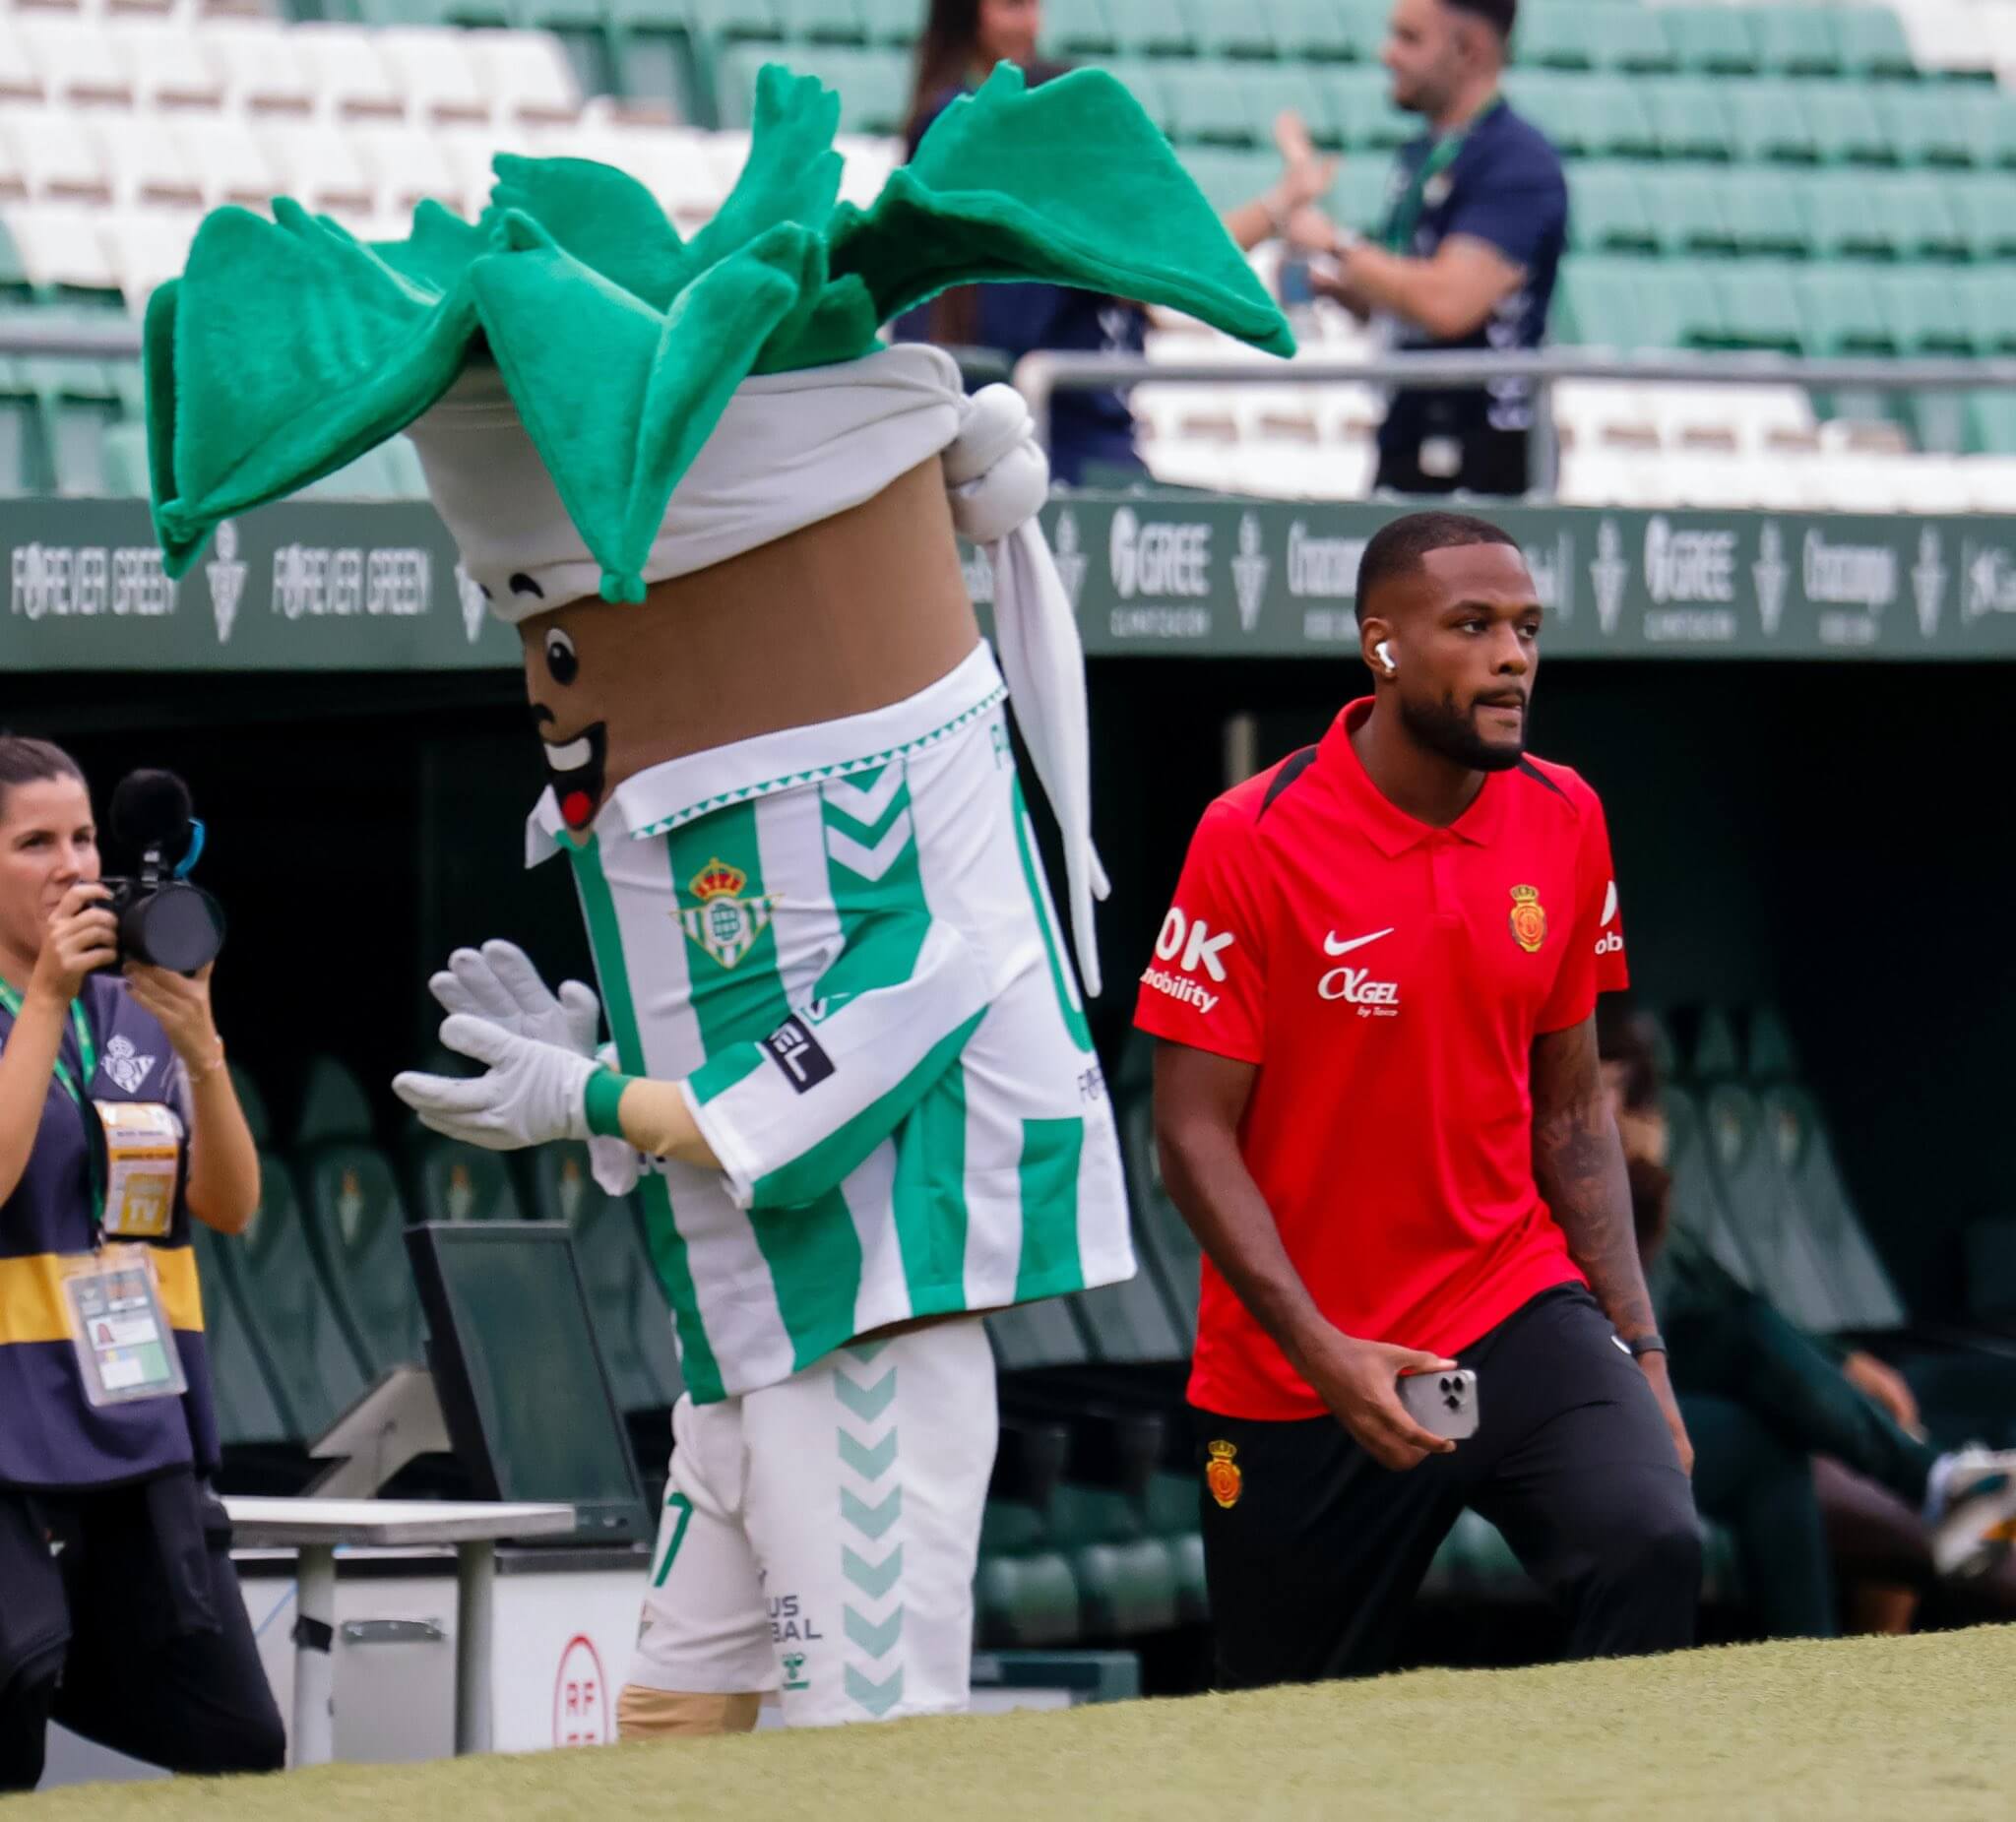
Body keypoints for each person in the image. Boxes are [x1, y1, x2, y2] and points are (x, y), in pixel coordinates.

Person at [145, 63, 1291, 1734]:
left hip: (871, 1356)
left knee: (857, 1750)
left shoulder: (924, 846)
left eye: (565, 628)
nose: (554, 681)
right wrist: (600, 1072)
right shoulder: (687, 824)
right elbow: (740, 1043)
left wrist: (590, 1095)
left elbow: (846, 1066)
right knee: (668, 1726)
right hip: (746, 1352)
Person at [1138, 510, 1699, 1688]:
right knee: (1284, 1730)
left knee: (1646, 1538)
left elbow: (1569, 1114)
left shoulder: (1564, 816)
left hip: (1509, 1298)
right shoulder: (1252, 838)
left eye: (1526, 629)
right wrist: (1321, 1352)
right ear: (1381, 647)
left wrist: (1639, 1350)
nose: (1513, 656)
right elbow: (1189, 1138)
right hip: (1303, 1365)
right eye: (1473, 625)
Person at [0, 736, 281, 1791]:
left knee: (234, 1735)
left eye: (83, 836)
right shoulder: (41, 1008)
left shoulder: (130, 1012)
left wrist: (201, 1050)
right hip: (7, 1420)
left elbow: (230, 1203)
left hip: (132, 1412)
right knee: (11, 1698)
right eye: (35, 842)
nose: (75, 865)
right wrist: (39, 1002)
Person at [1599, 1006, 2016, 1634]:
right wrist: (1631, 1185)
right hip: (1590, 1407)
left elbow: (1718, 1297)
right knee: (1766, 1436)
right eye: (1603, 1088)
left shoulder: (1626, 1188)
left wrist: (1839, 1360)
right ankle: (1934, 1487)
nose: (1616, 1111)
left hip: (1664, 1389)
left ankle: (1937, 1488)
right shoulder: (1548, 1180)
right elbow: (1632, 1306)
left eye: (1626, 1092)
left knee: (1759, 1370)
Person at [895, 0, 1334, 485]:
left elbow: (1157, 261)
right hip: (1040, 441)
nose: (1033, 23)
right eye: (1013, 6)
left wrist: (1279, 205)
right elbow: (1151, 269)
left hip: (1051, 434)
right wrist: (1279, 205)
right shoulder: (963, 129)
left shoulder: (1023, 132)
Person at [1290, 0, 1567, 496]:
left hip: (1486, 450)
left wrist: (1337, 243)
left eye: (1409, 39)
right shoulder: (1424, 154)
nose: (1387, 54)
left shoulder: (1516, 160)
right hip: (1407, 430)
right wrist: (1340, 286)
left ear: (1469, 49)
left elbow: (1448, 303)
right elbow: (1405, 297)